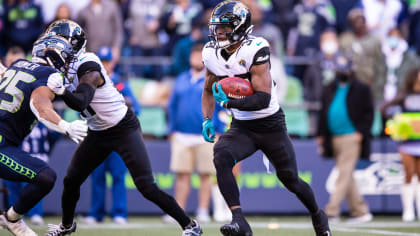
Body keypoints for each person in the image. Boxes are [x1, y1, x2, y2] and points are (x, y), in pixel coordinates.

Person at [43, 20, 202, 236]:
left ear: (73, 44)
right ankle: (67, 225)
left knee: (146, 186)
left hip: (122, 128)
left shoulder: (89, 66)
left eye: (58, 42)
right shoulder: (61, 69)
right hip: (97, 132)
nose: (53, 48)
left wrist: (61, 91)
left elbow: (80, 102)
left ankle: (190, 226)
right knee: (71, 180)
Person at [201, 1, 331, 236]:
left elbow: (262, 98)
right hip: (241, 125)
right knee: (221, 155)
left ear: (240, 27)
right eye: (217, 28)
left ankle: (317, 215)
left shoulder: (256, 48)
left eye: (224, 28)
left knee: (290, 179)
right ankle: (239, 221)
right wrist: (207, 119)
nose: (218, 33)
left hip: (270, 123)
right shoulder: (210, 52)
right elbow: (208, 89)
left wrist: (229, 103)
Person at [0, 35, 88, 236]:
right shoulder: (46, 75)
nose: (67, 64)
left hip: (7, 144)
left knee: (45, 176)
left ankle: (12, 218)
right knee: (45, 177)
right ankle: (12, 218)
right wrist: (65, 126)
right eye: (65, 58)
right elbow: (38, 106)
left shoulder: (18, 64)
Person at [166, 43, 225, 223]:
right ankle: (178, 212)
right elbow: (172, 106)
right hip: (182, 135)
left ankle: (202, 211)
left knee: (205, 175)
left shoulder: (213, 79)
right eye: (193, 55)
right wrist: (171, 130)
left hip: (205, 135)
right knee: (182, 175)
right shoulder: (181, 78)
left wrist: (219, 131)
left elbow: (222, 107)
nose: (196, 58)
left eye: (199, 55)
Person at [83, 46, 140, 225]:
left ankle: (119, 212)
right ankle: (96, 212)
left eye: (107, 62)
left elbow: (136, 108)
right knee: (97, 176)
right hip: (98, 135)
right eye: (103, 62)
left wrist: (127, 104)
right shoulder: (88, 83)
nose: (105, 65)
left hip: (117, 137)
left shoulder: (121, 83)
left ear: (112, 63)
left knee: (117, 175)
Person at [317, 54, 374, 223]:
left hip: (352, 137)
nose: (341, 72)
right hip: (334, 137)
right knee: (347, 175)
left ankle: (331, 211)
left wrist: (361, 132)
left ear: (351, 70)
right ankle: (361, 211)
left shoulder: (362, 89)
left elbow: (369, 114)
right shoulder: (329, 88)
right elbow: (323, 113)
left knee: (343, 174)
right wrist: (320, 135)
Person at [381, 67, 420, 221]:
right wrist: (394, 123)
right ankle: (408, 211)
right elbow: (384, 108)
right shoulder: (404, 95)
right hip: (407, 142)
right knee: (409, 174)